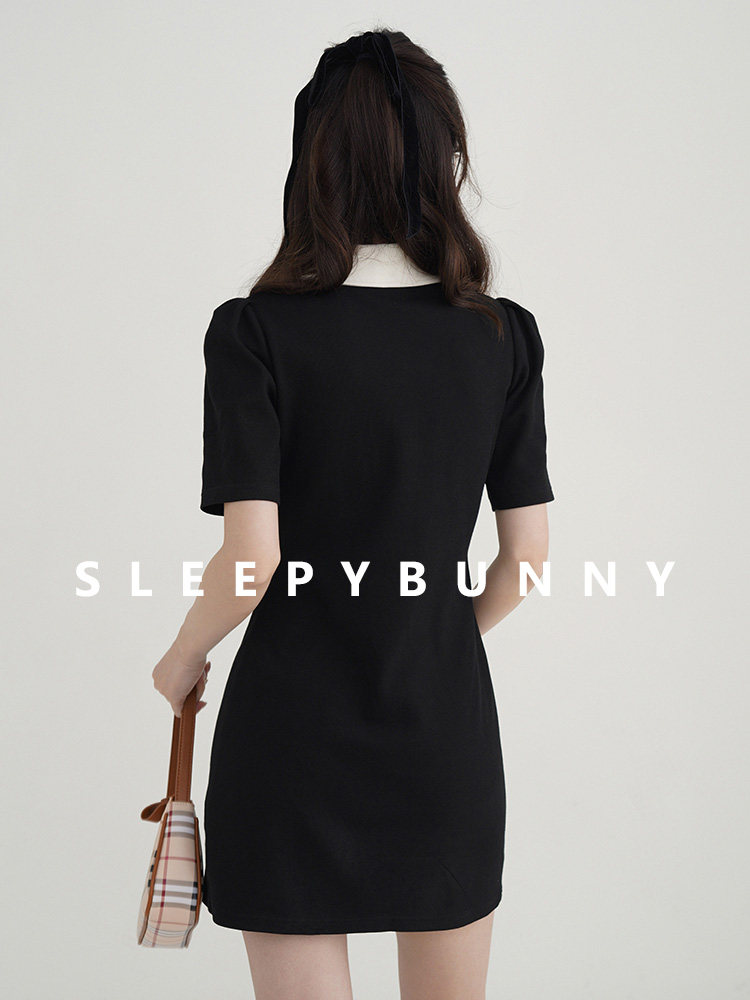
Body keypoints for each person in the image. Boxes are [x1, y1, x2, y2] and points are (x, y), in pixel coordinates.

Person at [152, 26, 554, 1000]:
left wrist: (181, 658)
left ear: (317, 157)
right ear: (445, 157)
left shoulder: (255, 332)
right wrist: (432, 633)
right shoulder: (501, 335)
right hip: (442, 735)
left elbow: (251, 561)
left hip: (290, 737)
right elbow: (528, 559)